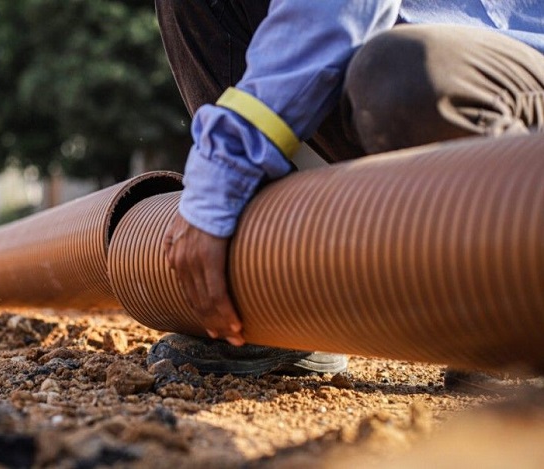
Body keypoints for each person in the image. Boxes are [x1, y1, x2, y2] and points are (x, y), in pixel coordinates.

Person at [148, 1, 544, 376]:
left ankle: (514, 293)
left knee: (404, 74)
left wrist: (222, 173)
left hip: (515, 64)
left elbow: (343, 10)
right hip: (390, 53)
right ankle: (284, 306)